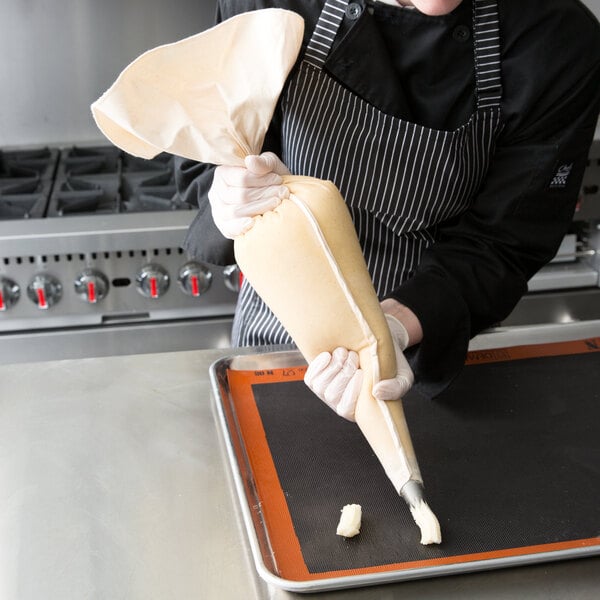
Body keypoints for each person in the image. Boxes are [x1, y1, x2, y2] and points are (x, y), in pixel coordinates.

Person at [176, 0, 600, 416]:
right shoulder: (270, 5)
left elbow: (504, 241)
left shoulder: (553, 35)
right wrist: (226, 193)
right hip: (275, 345)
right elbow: (198, 147)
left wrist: (391, 330)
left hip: (432, 349)